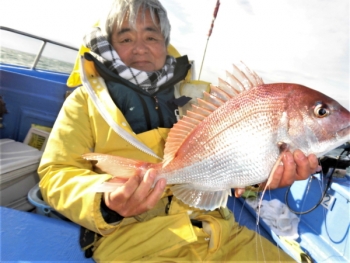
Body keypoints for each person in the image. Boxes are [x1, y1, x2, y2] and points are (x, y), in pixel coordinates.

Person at [38, 0, 319, 262]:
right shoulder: (85, 101)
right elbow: (56, 174)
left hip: (220, 231)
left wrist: (265, 175)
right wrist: (106, 201)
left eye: (151, 37)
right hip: (132, 238)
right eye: (125, 39)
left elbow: (234, 164)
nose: (140, 48)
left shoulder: (204, 96)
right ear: (110, 46)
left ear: (165, 43)